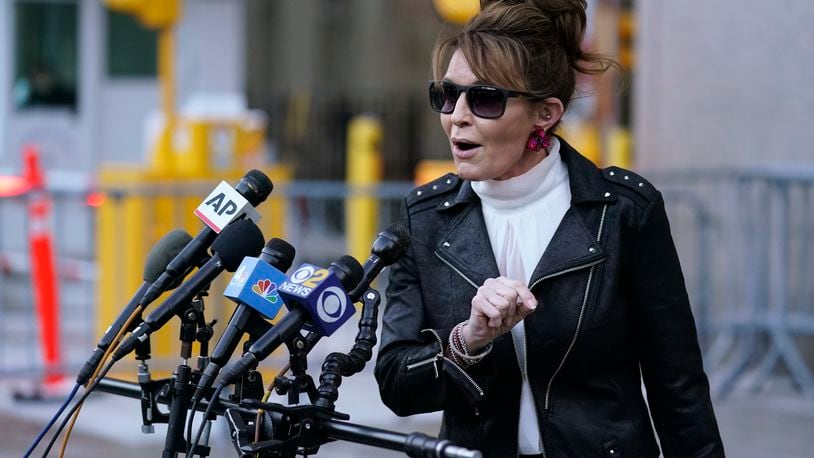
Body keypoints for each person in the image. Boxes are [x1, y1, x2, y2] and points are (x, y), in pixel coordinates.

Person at [374, 1, 725, 457]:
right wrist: (468, 340)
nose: (456, 115)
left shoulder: (623, 212)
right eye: (446, 94)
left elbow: (678, 388)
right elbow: (398, 387)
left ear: (545, 113)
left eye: (484, 98)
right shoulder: (424, 217)